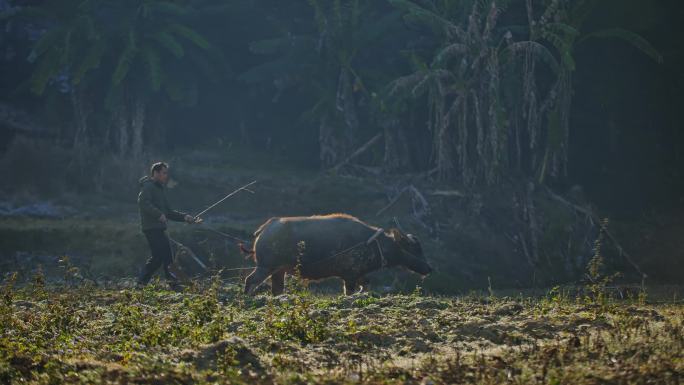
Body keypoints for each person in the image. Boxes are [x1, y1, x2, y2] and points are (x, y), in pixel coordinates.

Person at [137, 161, 202, 288]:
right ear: (155, 173)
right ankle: (142, 283)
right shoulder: (148, 187)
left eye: (166, 173)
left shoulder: (159, 189)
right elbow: (143, 203)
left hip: (159, 229)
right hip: (151, 229)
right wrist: (158, 214)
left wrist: (185, 217)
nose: (166, 176)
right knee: (159, 257)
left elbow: (169, 212)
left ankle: (171, 283)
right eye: (163, 173)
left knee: (166, 256)